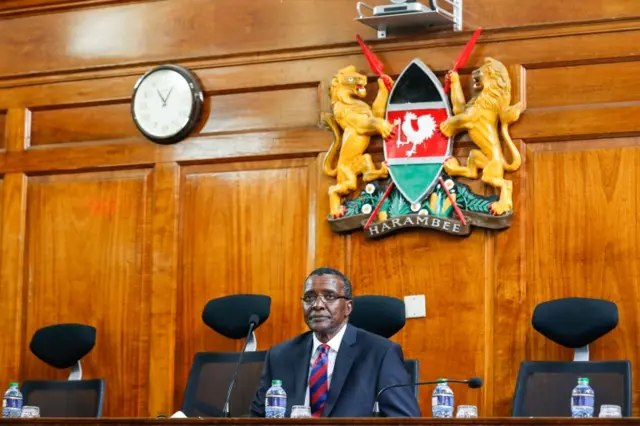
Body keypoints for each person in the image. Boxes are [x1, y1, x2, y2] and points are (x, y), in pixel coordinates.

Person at [250, 267, 421, 418]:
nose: (317, 305)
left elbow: (405, 421)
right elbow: (257, 418)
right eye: (309, 298)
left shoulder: (381, 353)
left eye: (329, 296)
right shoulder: (280, 355)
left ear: (348, 307)